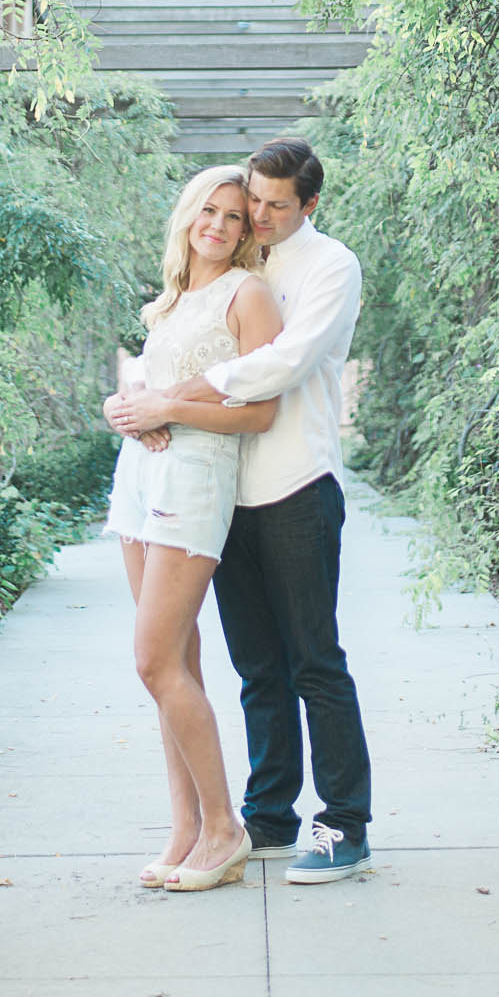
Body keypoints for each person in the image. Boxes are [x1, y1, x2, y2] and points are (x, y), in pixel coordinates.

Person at [108, 138, 373, 885]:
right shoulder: (234, 267)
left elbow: (279, 367)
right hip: (231, 495)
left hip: (294, 481)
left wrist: (172, 399)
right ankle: (268, 812)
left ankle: (344, 822)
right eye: (246, 199)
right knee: (257, 667)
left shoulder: (329, 266)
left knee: (314, 659)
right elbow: (161, 359)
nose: (253, 215)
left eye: (270, 205)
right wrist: (135, 401)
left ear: (308, 205)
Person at [102, 166, 283, 893]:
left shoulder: (249, 295)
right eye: (207, 209)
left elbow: (258, 413)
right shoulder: (171, 300)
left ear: (246, 233)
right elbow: (150, 391)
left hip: (194, 482)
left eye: (234, 216)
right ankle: (184, 826)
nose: (218, 223)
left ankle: (224, 828)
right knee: (176, 664)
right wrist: (126, 407)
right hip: (138, 483)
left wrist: (165, 411)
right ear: (187, 216)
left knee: (153, 661)